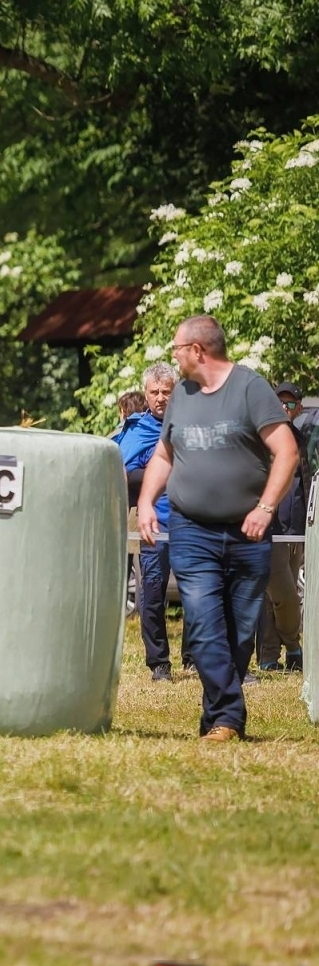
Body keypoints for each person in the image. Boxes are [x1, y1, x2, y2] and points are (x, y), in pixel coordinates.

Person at [137, 315, 298, 742]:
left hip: (248, 533)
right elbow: (164, 455)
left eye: (176, 348)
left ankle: (216, 717)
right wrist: (146, 501)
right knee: (205, 625)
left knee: (238, 633)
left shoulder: (250, 389)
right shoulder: (182, 397)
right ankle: (228, 719)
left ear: (197, 350)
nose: (173, 355)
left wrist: (266, 507)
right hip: (193, 530)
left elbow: (286, 452)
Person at [114, 363, 192, 682]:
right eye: (155, 392)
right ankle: (159, 663)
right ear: (146, 395)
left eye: (166, 392)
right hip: (154, 527)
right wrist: (159, 474)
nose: (161, 398)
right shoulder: (136, 429)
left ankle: (193, 658)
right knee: (153, 595)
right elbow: (122, 473)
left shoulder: (191, 425)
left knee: (198, 595)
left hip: (192, 524)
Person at [256, 382, 307, 673]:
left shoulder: (301, 439)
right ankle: (294, 646)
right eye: (280, 404)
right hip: (270, 529)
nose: (285, 409)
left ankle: (269, 658)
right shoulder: (263, 441)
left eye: (290, 405)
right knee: (283, 594)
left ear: (298, 408)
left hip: (296, 529)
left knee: (275, 597)